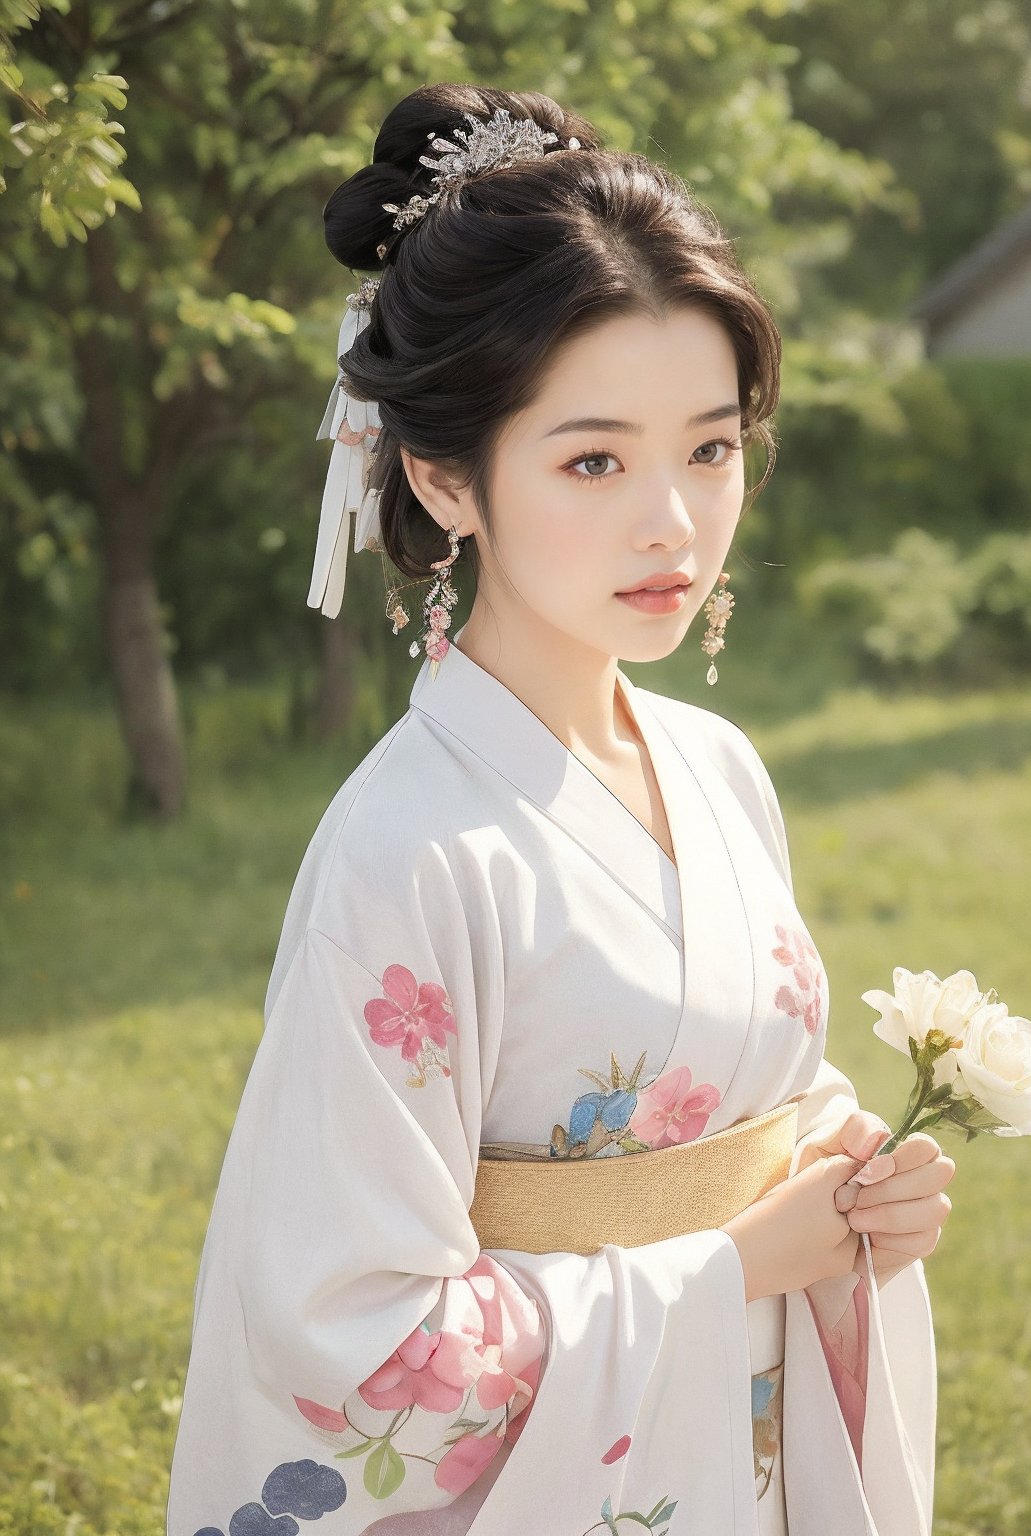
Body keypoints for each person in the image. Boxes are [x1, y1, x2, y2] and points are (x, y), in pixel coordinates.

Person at [167, 82, 955, 1536]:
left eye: (710, 448)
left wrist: (854, 1174)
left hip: (741, 1444)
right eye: (595, 459)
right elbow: (361, 1348)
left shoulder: (720, 768)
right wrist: (732, 1267)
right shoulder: (406, 854)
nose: (674, 521)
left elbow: (740, 1094)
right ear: (442, 474)